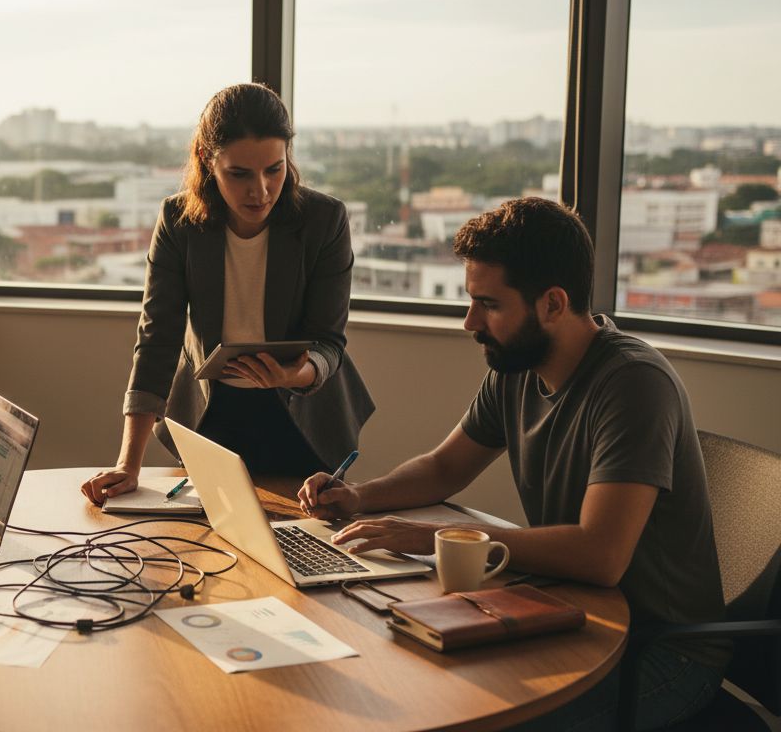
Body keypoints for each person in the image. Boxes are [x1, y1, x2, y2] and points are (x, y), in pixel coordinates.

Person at [299, 197, 727, 730]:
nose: (469, 322)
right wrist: (359, 496)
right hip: (566, 613)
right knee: (409, 684)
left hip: (657, 651)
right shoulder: (516, 366)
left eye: (489, 304)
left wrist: (429, 536)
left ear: (552, 303)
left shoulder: (635, 384)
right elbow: (443, 469)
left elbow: (602, 554)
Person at [81, 83, 374, 505]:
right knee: (201, 548)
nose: (260, 190)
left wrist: (294, 374)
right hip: (210, 413)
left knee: (304, 548)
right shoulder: (178, 221)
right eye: (240, 174)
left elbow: (329, 342)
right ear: (207, 159)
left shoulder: (324, 220)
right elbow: (157, 339)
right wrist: (129, 463)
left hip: (302, 414)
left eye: (274, 169)